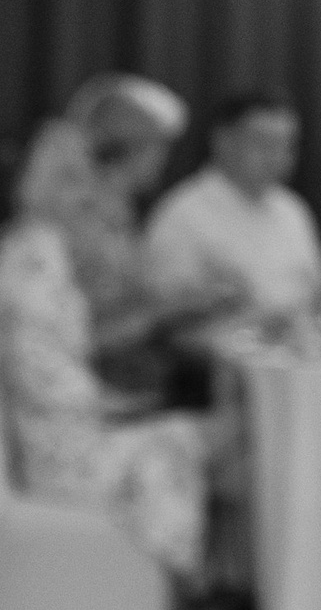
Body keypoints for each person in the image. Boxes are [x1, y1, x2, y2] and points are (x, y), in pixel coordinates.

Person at [0, 110, 212, 577]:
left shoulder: (42, 250)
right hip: (56, 447)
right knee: (181, 444)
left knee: (187, 436)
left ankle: (172, 592)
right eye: (72, 179)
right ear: (41, 184)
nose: (88, 193)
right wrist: (113, 404)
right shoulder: (35, 261)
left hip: (65, 425)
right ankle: (178, 593)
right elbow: (41, 377)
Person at [145, 89, 321, 333]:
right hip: (227, 348)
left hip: (307, 342)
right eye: (264, 144)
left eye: (287, 146)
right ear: (222, 141)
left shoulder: (292, 208)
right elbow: (166, 316)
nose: (277, 157)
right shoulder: (182, 214)